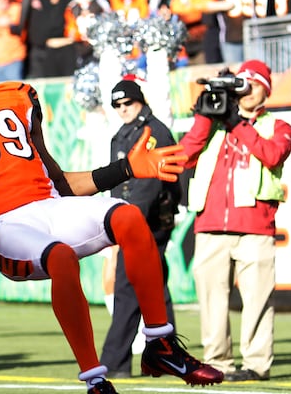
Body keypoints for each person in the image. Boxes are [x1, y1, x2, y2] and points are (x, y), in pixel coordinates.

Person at [0, 38, 224, 394]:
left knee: (128, 217)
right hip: (5, 223)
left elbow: (60, 182)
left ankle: (160, 345)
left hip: (51, 204)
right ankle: (95, 379)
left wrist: (127, 168)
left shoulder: (18, 94)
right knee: (61, 257)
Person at [179, 59, 291, 382]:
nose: (246, 90)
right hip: (210, 225)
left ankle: (256, 364)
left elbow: (271, 155)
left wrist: (236, 123)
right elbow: (184, 156)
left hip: (256, 228)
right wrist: (203, 118)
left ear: (266, 91)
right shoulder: (213, 123)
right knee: (212, 301)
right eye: (242, 84)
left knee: (257, 300)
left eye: (253, 84)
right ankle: (219, 362)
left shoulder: (277, 126)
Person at [100, 79, 180, 378]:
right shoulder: (122, 135)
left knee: (127, 287)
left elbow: (150, 184)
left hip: (148, 222)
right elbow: (115, 182)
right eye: (117, 105)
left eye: (127, 103)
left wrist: (124, 223)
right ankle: (165, 358)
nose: (123, 110)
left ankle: (116, 361)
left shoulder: (154, 132)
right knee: (153, 289)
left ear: (140, 101)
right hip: (131, 220)